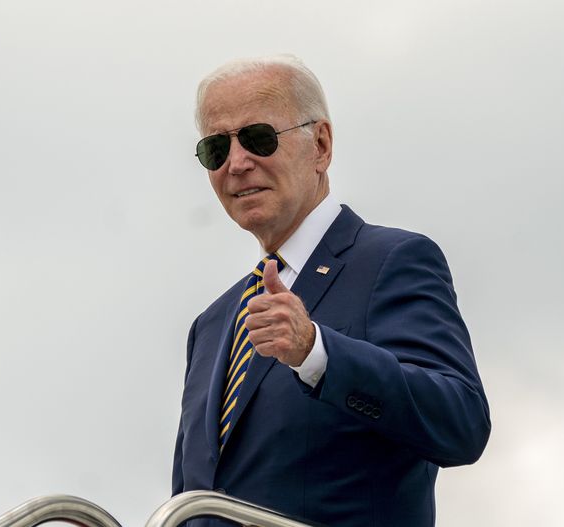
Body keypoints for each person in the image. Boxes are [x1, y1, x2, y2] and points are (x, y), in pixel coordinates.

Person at [171, 55, 490, 527]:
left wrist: (316, 353)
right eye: (216, 149)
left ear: (320, 145)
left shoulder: (390, 260)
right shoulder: (213, 325)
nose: (237, 164)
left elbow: (460, 423)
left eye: (258, 138)